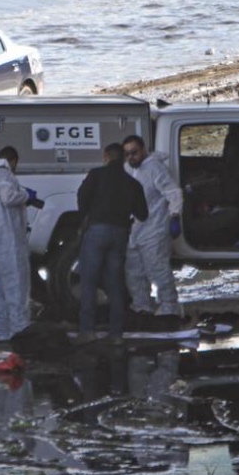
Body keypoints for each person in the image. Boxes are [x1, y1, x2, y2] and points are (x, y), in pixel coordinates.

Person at [76, 142, 149, 337]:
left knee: (89, 282)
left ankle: (87, 331)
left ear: (105, 156)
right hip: (120, 234)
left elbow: (82, 196)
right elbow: (143, 214)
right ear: (124, 158)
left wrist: (87, 215)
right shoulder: (132, 183)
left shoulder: (96, 175)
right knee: (115, 283)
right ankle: (116, 334)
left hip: (97, 231)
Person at [122, 134, 185, 328]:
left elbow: (173, 192)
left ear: (143, 150)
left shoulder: (154, 168)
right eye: (127, 154)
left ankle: (169, 306)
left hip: (154, 228)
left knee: (157, 268)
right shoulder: (129, 170)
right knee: (134, 272)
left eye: (134, 152)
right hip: (134, 230)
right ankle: (142, 305)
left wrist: (175, 216)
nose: (131, 157)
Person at [0, 145, 34, 342]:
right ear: (13, 161)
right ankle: (19, 331)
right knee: (16, 285)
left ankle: (2, 331)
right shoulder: (4, 175)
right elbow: (8, 197)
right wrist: (26, 195)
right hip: (7, 240)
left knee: (0, 287)